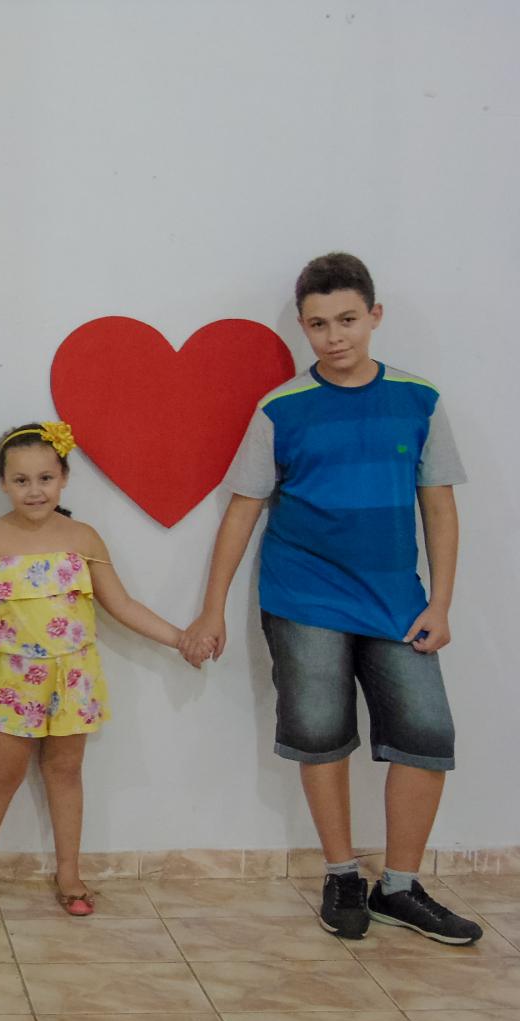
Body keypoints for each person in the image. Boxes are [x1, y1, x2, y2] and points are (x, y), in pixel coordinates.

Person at [179, 252, 480, 945]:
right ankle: (342, 874)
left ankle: (400, 887)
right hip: (303, 595)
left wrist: (441, 603)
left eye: (347, 320)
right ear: (302, 327)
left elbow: (439, 509)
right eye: (318, 324)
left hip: (397, 603)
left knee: (426, 735)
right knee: (319, 732)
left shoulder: (420, 400)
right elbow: (242, 510)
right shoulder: (281, 408)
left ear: (375, 316)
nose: (334, 336)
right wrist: (211, 607)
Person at [0, 422, 200, 922]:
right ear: (3, 484)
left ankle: (69, 874)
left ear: (64, 478)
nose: (35, 490)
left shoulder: (83, 538)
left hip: (73, 680)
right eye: (21, 480)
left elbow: (122, 605)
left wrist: (180, 638)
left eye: (46, 478)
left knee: (66, 774)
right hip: (12, 683)